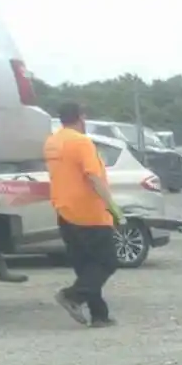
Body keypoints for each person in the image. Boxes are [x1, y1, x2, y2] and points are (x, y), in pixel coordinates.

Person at [42, 102, 124, 327]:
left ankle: (99, 315)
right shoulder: (81, 143)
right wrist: (114, 208)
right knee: (107, 262)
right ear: (80, 117)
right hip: (90, 213)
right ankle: (72, 296)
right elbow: (93, 177)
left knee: (86, 266)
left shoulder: (52, 142)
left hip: (65, 211)